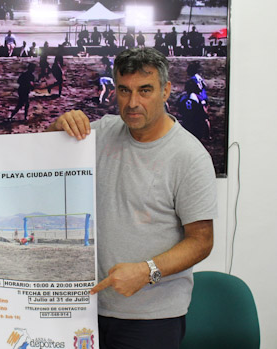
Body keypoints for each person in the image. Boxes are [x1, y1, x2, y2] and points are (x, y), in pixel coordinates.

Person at [46, 48, 217, 348]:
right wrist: (57, 128)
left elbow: (202, 241)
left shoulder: (190, 156)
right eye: (124, 90)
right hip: (86, 311)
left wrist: (146, 271)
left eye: (145, 90)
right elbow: (38, 160)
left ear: (166, 91)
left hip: (153, 318)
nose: (132, 102)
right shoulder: (101, 132)